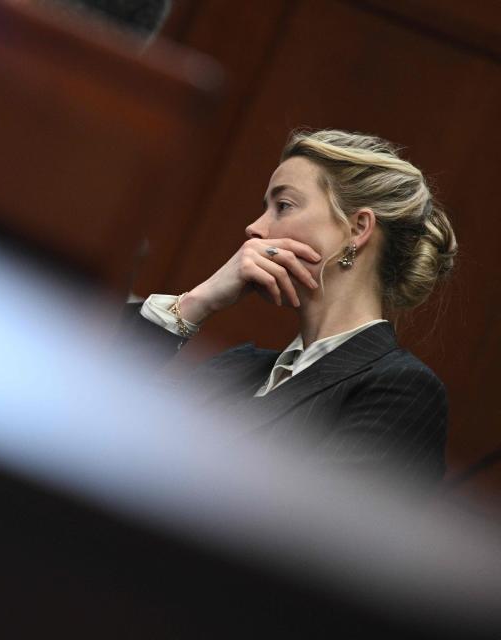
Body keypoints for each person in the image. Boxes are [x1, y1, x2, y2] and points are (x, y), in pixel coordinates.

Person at [125, 129, 458, 489]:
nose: (254, 228)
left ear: (357, 229)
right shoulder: (240, 365)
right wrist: (195, 302)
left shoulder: (400, 388)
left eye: (283, 205)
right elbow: (104, 423)